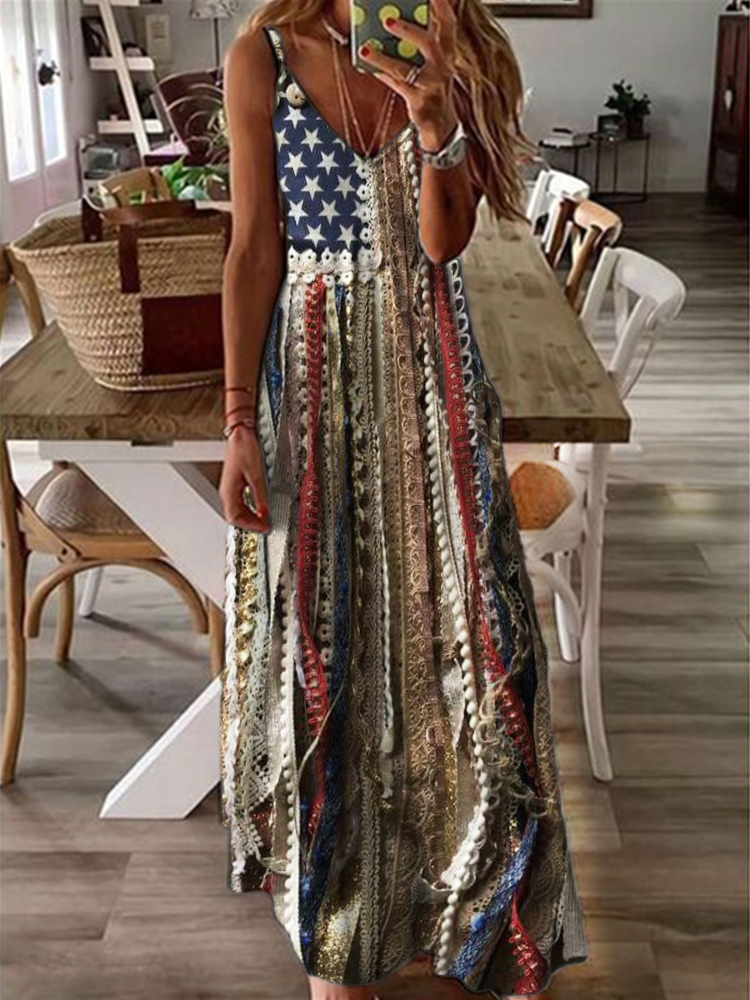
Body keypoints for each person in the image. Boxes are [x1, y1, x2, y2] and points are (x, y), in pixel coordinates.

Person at [218, 0, 589, 997]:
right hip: (308, 378)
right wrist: (239, 421)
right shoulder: (262, 57)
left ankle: (471, 903)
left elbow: (442, 242)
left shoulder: (451, 48)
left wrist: (436, 120)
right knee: (322, 643)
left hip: (434, 374)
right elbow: (253, 248)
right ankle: (341, 927)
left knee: (475, 638)